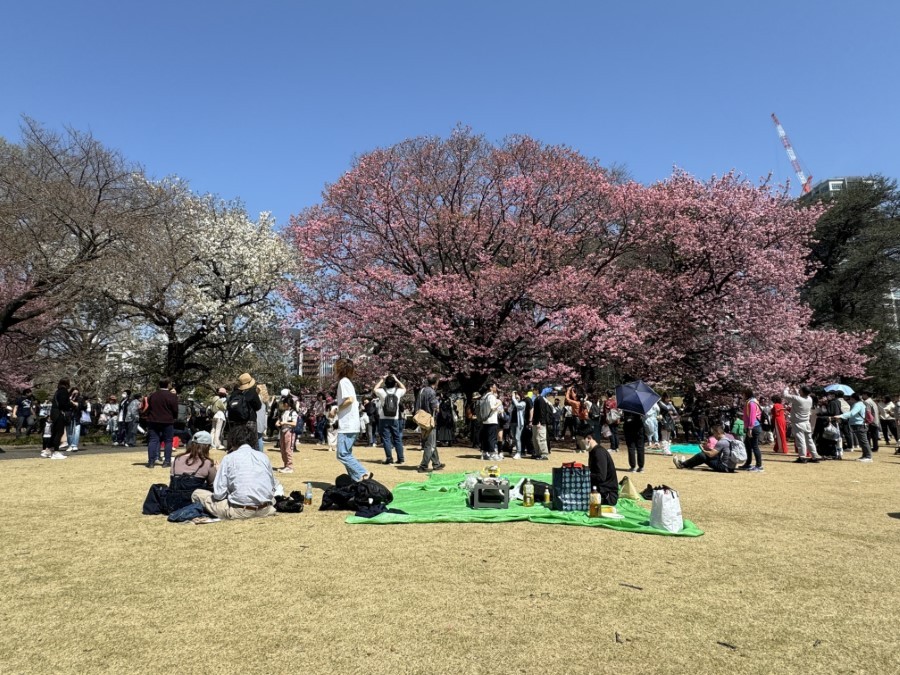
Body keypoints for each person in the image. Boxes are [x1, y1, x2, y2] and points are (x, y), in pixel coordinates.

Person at [190, 425, 276, 520]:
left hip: (239, 511)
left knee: (197, 493)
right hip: (266, 508)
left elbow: (219, 495)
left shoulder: (229, 458)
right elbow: (272, 486)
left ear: (233, 441)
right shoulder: (263, 457)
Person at [332, 358, 370, 481]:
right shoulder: (347, 382)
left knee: (342, 454)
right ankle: (356, 480)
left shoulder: (343, 382)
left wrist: (337, 409)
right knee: (347, 454)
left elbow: (349, 400)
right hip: (351, 424)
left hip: (347, 425)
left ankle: (363, 472)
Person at [781, 386, 821, 465]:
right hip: (806, 422)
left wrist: (787, 388)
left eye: (800, 390)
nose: (799, 391)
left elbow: (785, 395)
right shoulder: (809, 399)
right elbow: (800, 396)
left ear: (802, 392)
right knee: (809, 440)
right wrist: (795, 389)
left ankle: (802, 457)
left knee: (801, 440)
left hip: (798, 422)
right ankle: (814, 456)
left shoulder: (797, 399)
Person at [144, 378, 179, 469]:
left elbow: (149, 408)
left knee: (153, 440)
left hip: (153, 420)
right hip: (167, 420)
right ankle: (166, 461)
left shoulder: (153, 395)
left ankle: (151, 462)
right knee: (168, 441)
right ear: (168, 385)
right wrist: (174, 417)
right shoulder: (172, 396)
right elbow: (175, 409)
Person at [374, 374, 406, 465]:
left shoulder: (382, 392)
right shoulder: (398, 392)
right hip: (395, 418)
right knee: (397, 438)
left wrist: (381, 379)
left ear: (386, 383)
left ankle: (389, 458)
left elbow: (375, 389)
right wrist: (397, 379)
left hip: (383, 418)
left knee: (386, 439)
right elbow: (404, 388)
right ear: (394, 383)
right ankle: (401, 458)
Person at [832, 392, 872, 462]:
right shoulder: (860, 404)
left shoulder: (857, 405)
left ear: (853, 398)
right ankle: (865, 455)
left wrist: (840, 416)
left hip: (859, 424)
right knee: (862, 441)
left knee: (863, 441)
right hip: (860, 424)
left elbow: (851, 413)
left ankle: (868, 456)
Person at [416, 374, 444, 472]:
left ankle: (437, 463)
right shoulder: (431, 392)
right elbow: (435, 408)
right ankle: (423, 466)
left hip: (421, 418)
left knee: (430, 441)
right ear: (436, 382)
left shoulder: (422, 390)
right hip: (429, 419)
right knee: (430, 444)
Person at [43, 379, 73, 459]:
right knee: (59, 432)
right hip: (60, 413)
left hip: (54, 413)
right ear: (67, 384)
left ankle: (48, 450)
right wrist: (71, 405)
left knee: (54, 432)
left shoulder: (58, 391)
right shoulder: (64, 391)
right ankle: (56, 451)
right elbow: (63, 404)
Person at [586, 436, 618, 505]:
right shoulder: (592, 451)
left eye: (580, 440)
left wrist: (584, 474)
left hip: (607, 495)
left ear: (589, 438)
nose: (578, 443)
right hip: (599, 490)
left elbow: (601, 477)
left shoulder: (599, 452)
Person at [740, 389, 765, 470]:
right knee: (747, 444)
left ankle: (759, 465)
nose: (742, 396)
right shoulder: (750, 402)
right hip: (751, 427)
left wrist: (750, 428)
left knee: (754, 446)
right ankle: (748, 463)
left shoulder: (751, 403)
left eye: (743, 394)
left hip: (754, 427)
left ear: (746, 394)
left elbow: (752, 416)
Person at [479, 383, 502, 461]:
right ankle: (492, 454)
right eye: (494, 387)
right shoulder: (491, 396)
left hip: (485, 420)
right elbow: (492, 407)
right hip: (492, 420)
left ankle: (485, 453)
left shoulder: (484, 396)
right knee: (492, 438)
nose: (496, 388)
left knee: (486, 438)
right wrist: (499, 403)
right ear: (491, 388)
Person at [275, 398, 298, 473]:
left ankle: (289, 466)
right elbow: (280, 420)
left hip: (289, 432)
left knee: (288, 449)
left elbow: (294, 423)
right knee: (282, 449)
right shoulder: (283, 412)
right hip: (282, 431)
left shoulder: (293, 413)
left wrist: (285, 423)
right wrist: (278, 423)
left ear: (287, 404)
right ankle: (286, 465)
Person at [531, 387, 554, 460]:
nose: (533, 391)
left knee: (541, 438)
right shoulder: (537, 399)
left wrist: (539, 422)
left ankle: (544, 454)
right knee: (535, 438)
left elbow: (542, 412)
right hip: (535, 422)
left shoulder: (540, 399)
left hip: (540, 422)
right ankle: (538, 453)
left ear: (537, 390)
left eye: (534, 389)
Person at [509, 391, 526, 459]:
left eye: (517, 396)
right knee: (514, 438)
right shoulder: (513, 404)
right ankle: (517, 452)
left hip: (519, 423)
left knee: (517, 437)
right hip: (513, 422)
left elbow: (518, 405)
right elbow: (509, 410)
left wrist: (513, 398)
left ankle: (519, 452)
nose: (516, 397)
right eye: (515, 396)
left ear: (521, 396)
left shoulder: (523, 403)